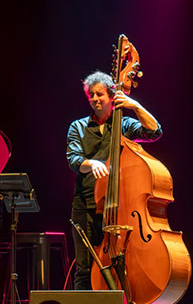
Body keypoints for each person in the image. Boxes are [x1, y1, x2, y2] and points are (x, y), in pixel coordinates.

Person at [66, 71, 161, 290]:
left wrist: (135, 105)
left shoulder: (124, 124)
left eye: (100, 94)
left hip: (120, 208)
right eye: (91, 95)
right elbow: (74, 160)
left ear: (111, 96)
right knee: (84, 267)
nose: (95, 99)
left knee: (120, 264)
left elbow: (154, 131)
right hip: (86, 205)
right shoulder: (77, 127)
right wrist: (92, 164)